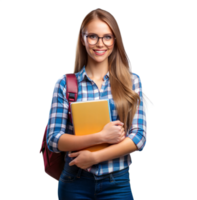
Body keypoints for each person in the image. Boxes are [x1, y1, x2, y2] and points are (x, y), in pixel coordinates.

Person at [46, 8, 147, 200]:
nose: (100, 44)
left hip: (117, 183)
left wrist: (94, 158)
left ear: (115, 40)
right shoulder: (65, 84)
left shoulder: (131, 82)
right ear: (83, 39)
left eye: (107, 37)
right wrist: (101, 136)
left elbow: (139, 137)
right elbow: (54, 139)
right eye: (93, 36)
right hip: (74, 182)